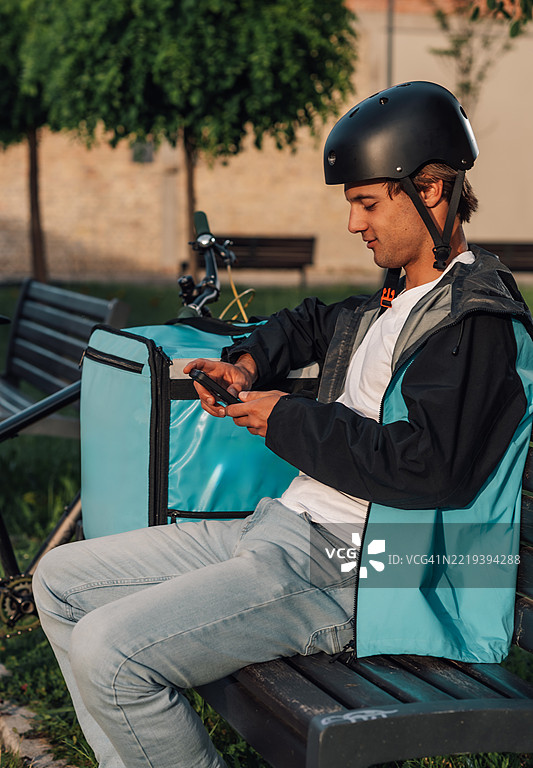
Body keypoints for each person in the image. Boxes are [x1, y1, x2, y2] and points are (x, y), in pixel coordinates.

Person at [33, 81, 533, 768]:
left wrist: (285, 419)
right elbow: (309, 322)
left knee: (110, 651)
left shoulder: (473, 326)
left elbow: (424, 466)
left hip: (356, 567)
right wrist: (243, 364)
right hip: (284, 530)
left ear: (432, 189)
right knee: (58, 580)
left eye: (365, 203)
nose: (354, 224)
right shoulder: (397, 301)